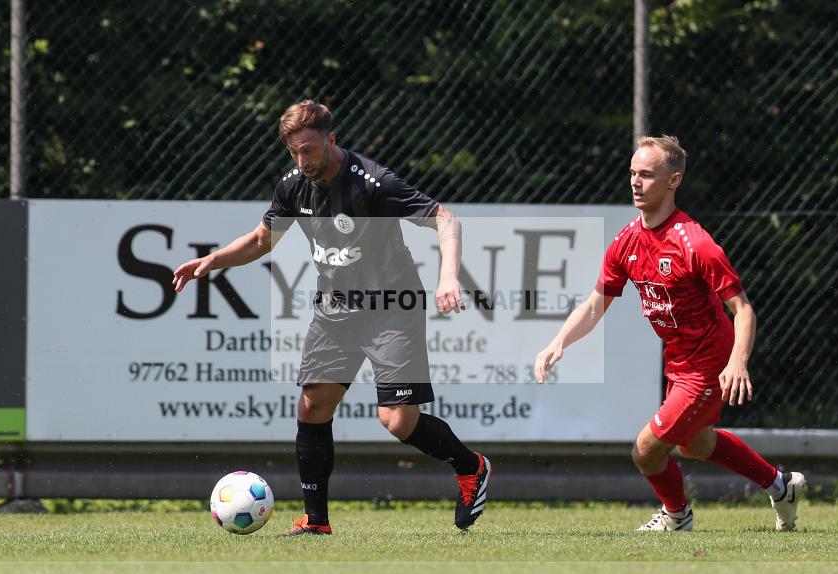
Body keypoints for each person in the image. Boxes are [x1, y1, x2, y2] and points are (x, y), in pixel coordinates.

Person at [173, 100, 490, 534]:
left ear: (331, 139)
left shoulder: (373, 182)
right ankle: (316, 521)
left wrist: (448, 277)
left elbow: (446, 220)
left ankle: (471, 467)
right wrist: (213, 259)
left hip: (390, 308)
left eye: (310, 149)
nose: (302, 160)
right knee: (312, 405)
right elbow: (262, 240)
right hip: (335, 309)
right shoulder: (292, 185)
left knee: (397, 421)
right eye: (294, 152)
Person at [534, 136, 805, 532]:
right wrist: (558, 341)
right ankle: (781, 486)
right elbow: (595, 306)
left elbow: (743, 309)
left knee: (646, 449)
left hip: (710, 361)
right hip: (679, 359)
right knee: (693, 444)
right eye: (632, 173)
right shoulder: (627, 239)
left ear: (673, 180)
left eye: (646, 174)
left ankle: (677, 517)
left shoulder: (695, 243)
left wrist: (737, 362)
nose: (635, 182)